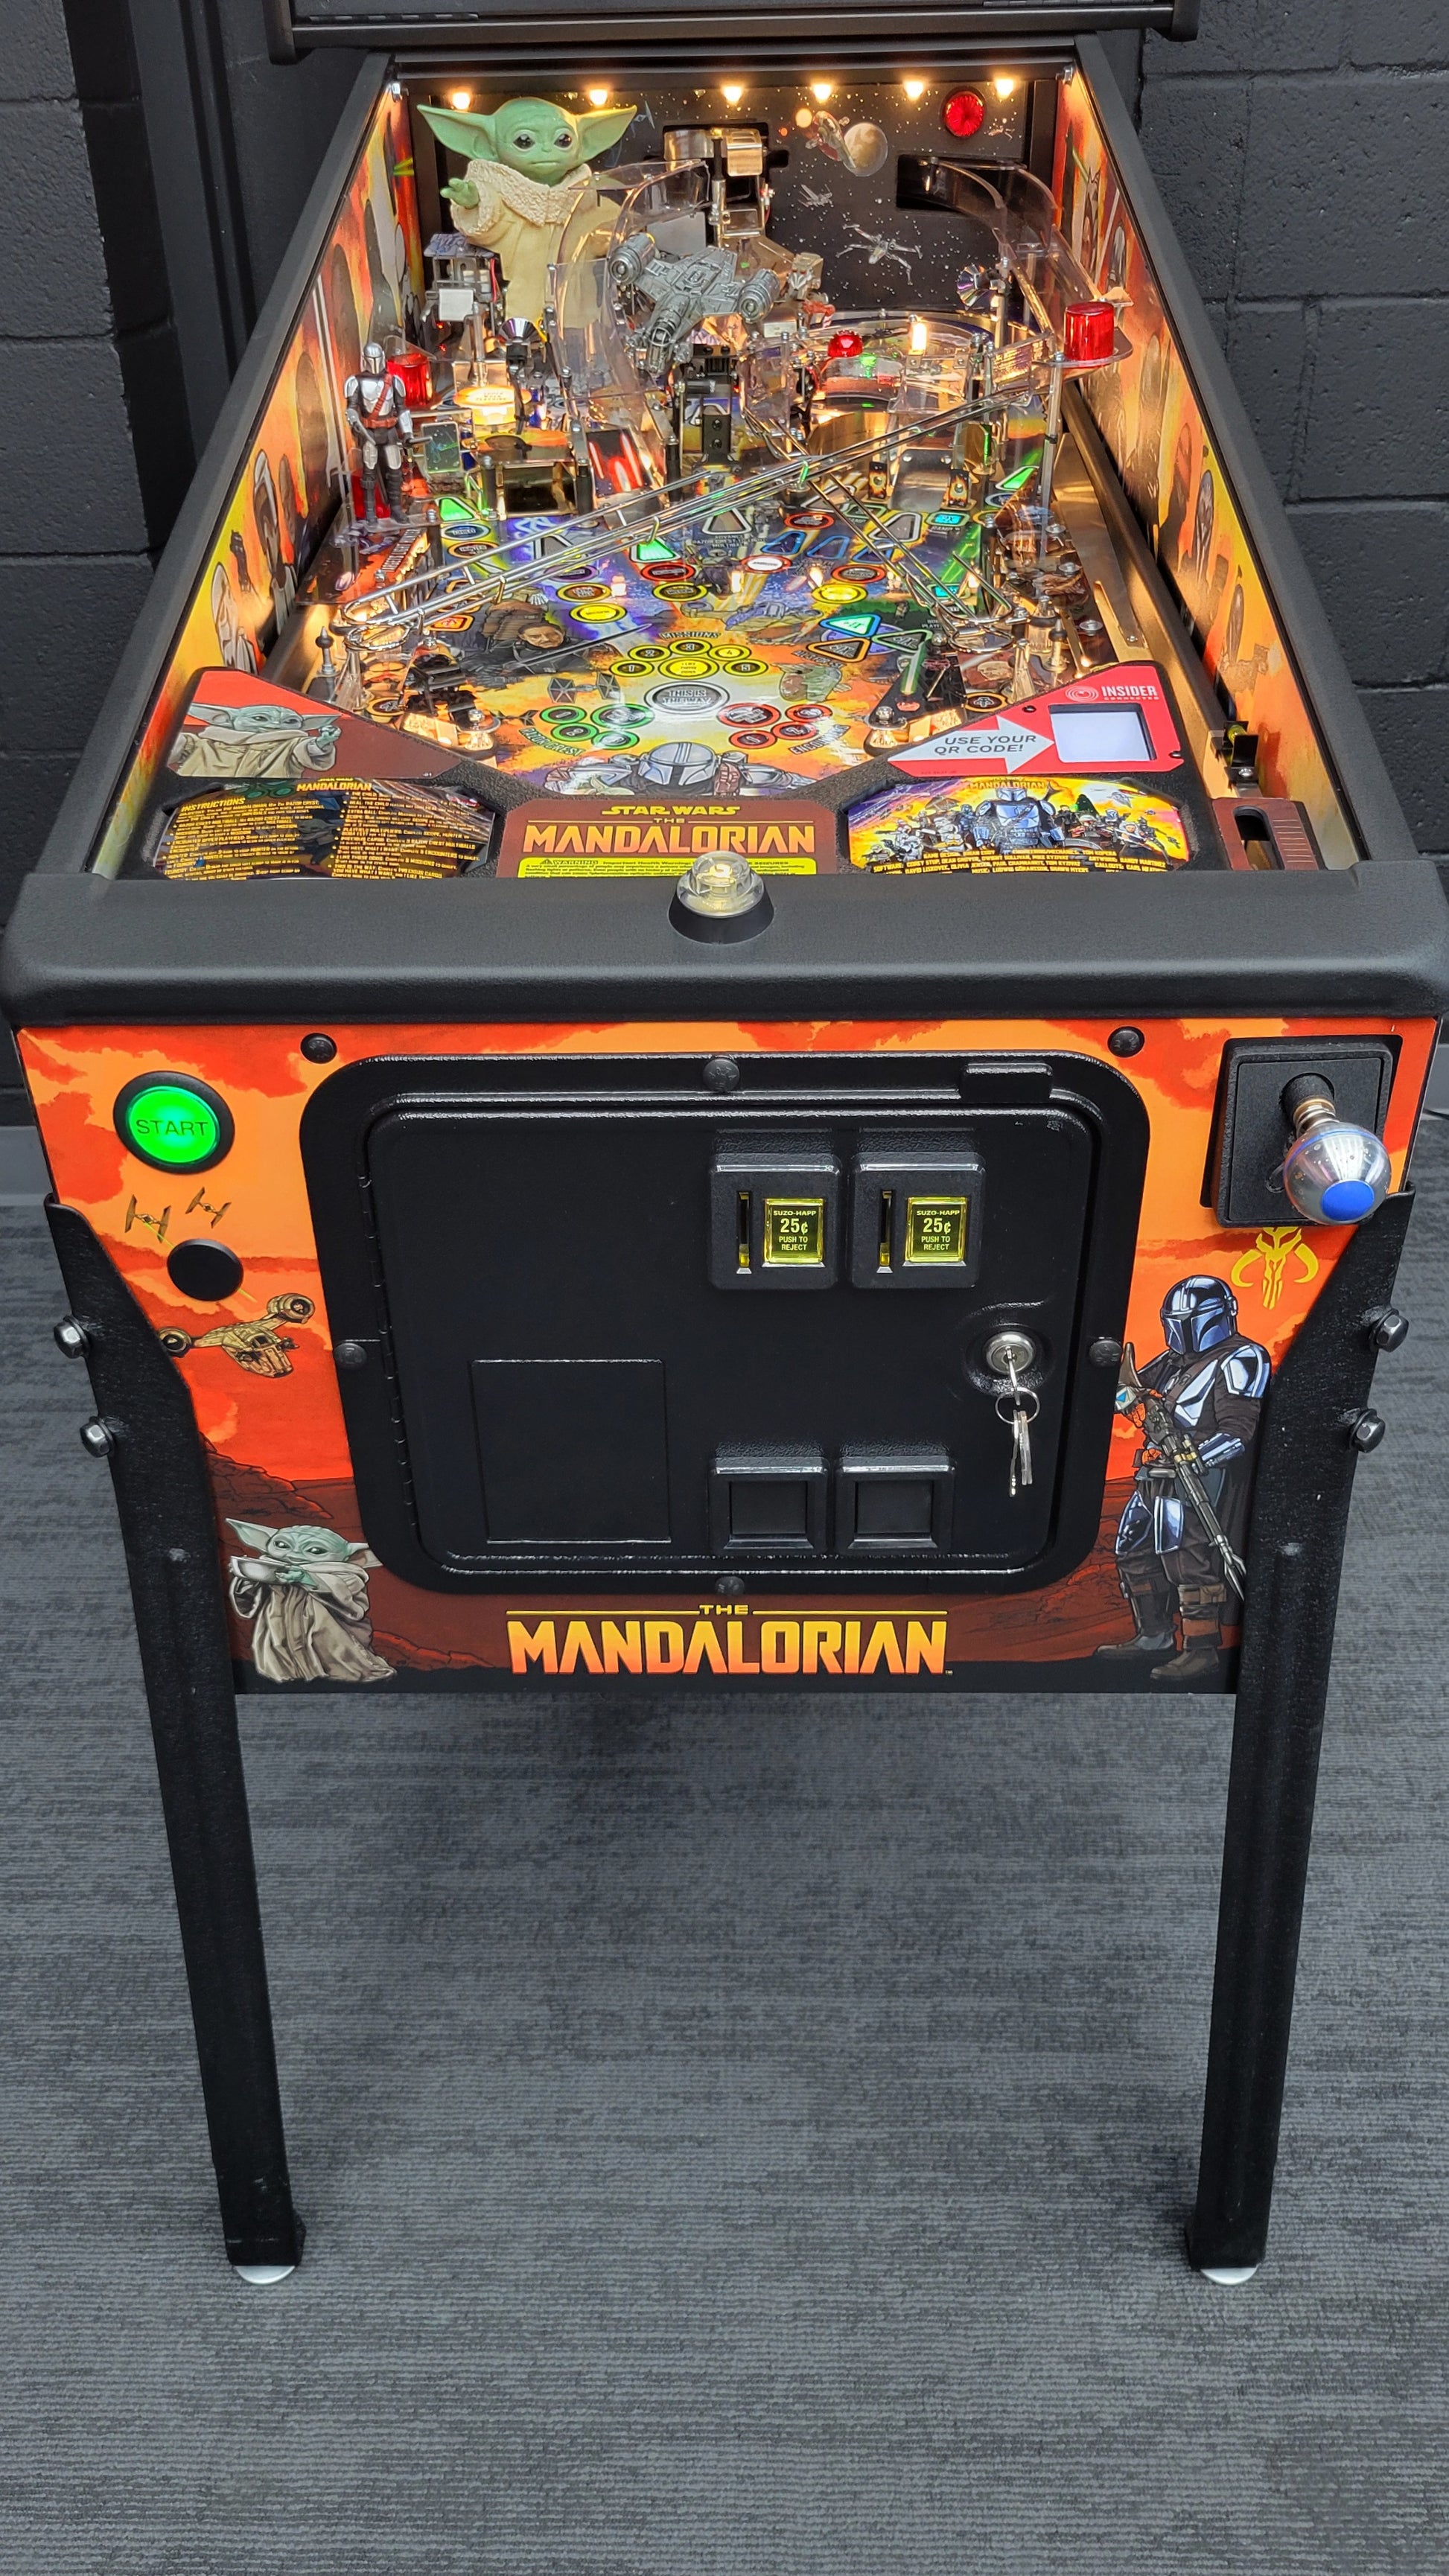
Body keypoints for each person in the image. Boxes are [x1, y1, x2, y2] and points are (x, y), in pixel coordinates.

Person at [1096, 1275, 1270, 1686]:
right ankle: (1154, 1635)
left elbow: (1238, 1433)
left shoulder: (1242, 1358)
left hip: (1198, 1477)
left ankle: (1201, 1649)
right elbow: (1126, 1391)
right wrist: (1131, 1399)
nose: (1182, 1330)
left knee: (1189, 1559)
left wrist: (1194, 1457)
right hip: (1156, 1471)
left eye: (1189, 1321)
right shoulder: (1176, 1361)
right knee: (1133, 1548)